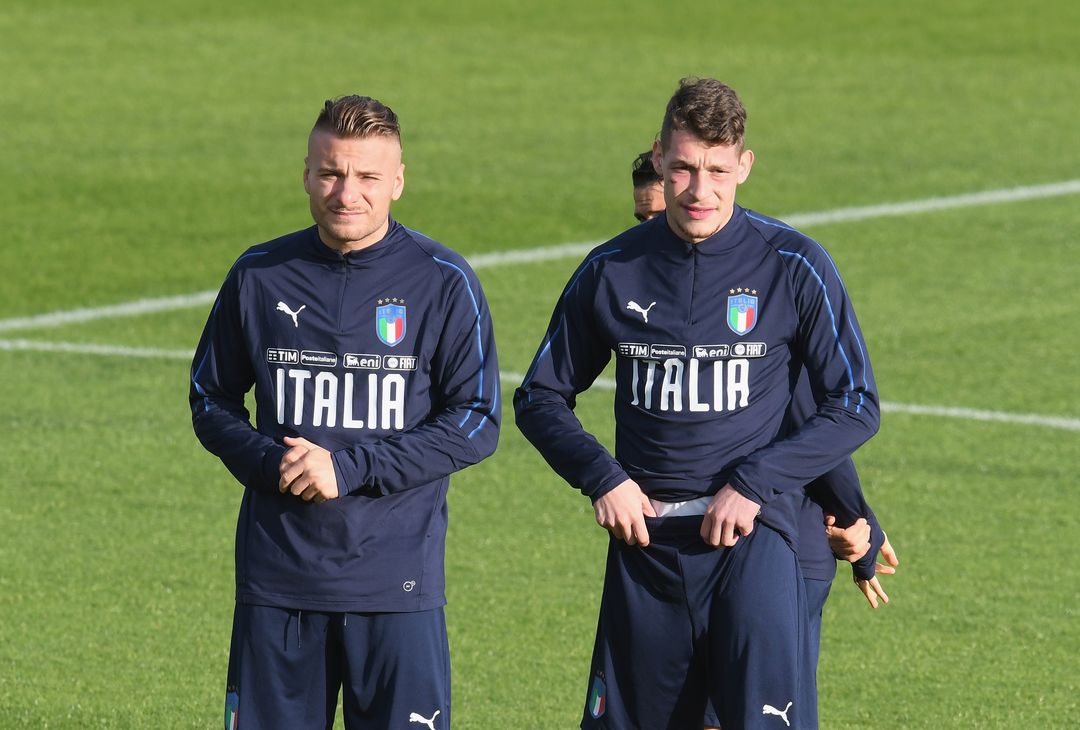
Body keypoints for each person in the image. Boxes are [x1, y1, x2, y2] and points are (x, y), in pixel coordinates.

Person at [516, 78, 882, 729]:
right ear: (660, 158)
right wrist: (602, 478)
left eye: (717, 170)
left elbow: (855, 403)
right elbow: (540, 396)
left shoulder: (793, 265)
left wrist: (755, 484)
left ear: (744, 165)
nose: (699, 190)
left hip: (753, 546)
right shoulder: (611, 270)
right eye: (683, 169)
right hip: (645, 550)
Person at [190, 95, 499, 730]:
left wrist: (349, 468)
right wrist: (274, 462)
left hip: (397, 587)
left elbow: (477, 419)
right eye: (330, 173)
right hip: (277, 585)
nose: (345, 193)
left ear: (398, 182)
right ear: (306, 174)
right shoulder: (259, 274)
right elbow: (209, 399)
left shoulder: (444, 281)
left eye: (366, 177)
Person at [628, 151, 900, 667]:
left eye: (658, 213)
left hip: (781, 546)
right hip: (693, 551)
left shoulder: (766, 290)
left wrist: (858, 524)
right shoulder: (640, 289)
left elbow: (813, 419)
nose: (654, 227)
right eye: (641, 217)